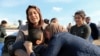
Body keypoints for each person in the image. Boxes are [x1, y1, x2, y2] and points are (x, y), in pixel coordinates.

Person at [25, 23, 100, 56]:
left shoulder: (58, 37)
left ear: (51, 30)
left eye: (46, 32)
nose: (45, 36)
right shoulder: (65, 36)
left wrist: (29, 49)